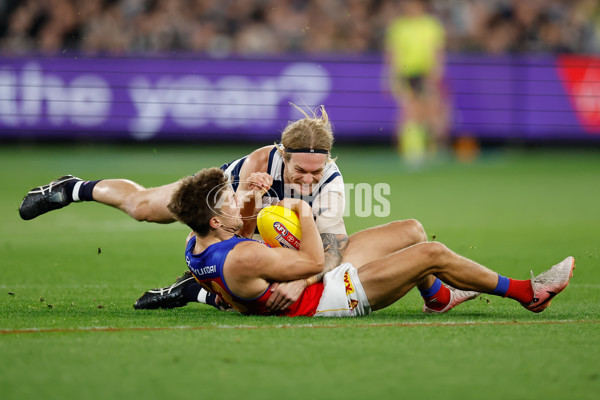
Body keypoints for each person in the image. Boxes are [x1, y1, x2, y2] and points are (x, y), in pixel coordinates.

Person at [166, 167, 575, 317]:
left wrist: (251, 198)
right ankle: (527, 293)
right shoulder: (242, 256)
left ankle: (439, 298)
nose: (239, 198)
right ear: (217, 218)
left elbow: (240, 235)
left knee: (410, 230)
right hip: (329, 297)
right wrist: (303, 214)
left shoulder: (196, 241)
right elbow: (311, 263)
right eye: (230, 198)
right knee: (429, 253)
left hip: (309, 285)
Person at [385, 0, 449, 164]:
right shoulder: (399, 26)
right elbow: (393, 53)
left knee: (432, 111)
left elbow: (437, 52)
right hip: (406, 74)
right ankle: (413, 152)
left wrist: (436, 74)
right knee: (409, 111)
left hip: (426, 74)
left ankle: (434, 149)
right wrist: (391, 76)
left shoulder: (432, 25)